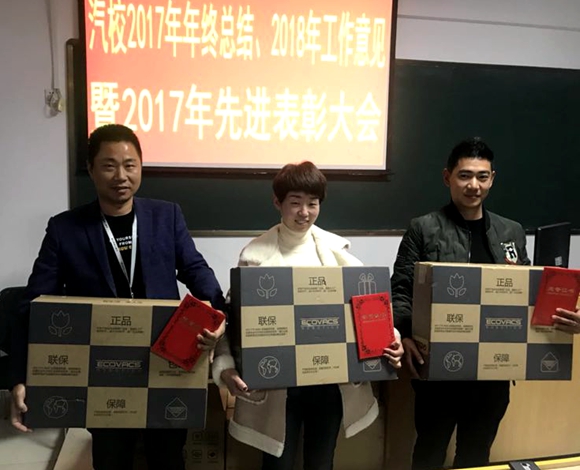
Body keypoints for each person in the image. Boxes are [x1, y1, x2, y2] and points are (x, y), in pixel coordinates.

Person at [9, 124, 226, 470]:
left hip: (165, 360)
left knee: (169, 458)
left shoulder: (166, 216)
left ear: (141, 166)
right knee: (111, 459)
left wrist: (217, 315)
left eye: (129, 164)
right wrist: (21, 375)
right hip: (102, 368)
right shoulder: (65, 228)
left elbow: (196, 270)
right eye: (109, 166)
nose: (121, 176)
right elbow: (32, 305)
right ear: (91, 169)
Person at [212, 161, 404, 470]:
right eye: (295, 202)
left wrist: (390, 339)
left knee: (321, 461)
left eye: (312, 203)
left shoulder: (337, 254)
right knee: (277, 464)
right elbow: (234, 320)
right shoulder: (254, 257)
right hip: (277, 385)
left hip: (329, 382)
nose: (304, 212)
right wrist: (226, 367)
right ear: (278, 202)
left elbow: (369, 309)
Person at [391, 137, 530, 470]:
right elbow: (401, 290)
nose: (474, 185)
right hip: (438, 368)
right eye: (465, 175)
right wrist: (405, 334)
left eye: (482, 176)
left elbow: (526, 293)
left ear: (492, 179)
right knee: (429, 451)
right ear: (447, 177)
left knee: (476, 454)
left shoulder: (510, 232)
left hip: (493, 370)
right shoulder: (423, 228)